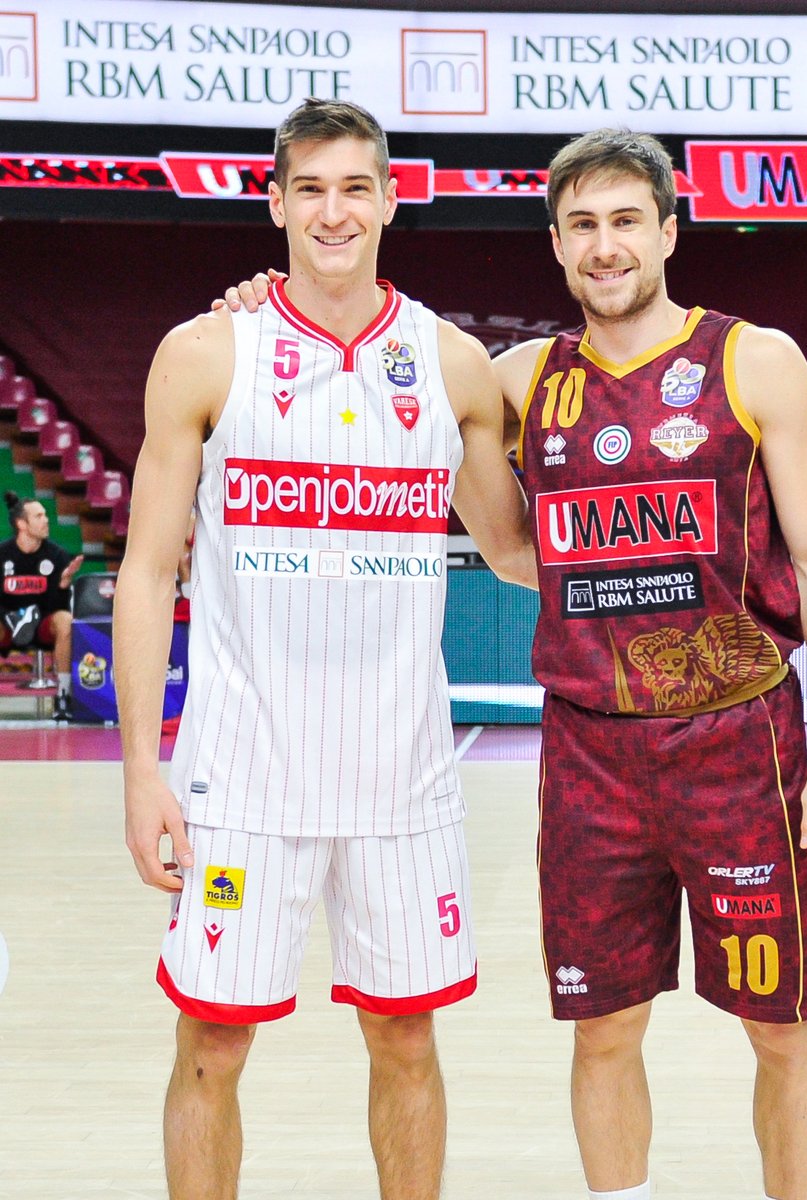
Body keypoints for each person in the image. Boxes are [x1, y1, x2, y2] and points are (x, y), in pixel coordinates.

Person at [222, 128, 807, 1200]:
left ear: (668, 229)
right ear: (557, 245)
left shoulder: (755, 360)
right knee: (603, 1032)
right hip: (589, 755)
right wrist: (255, 301)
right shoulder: (520, 378)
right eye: (582, 226)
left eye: (625, 221)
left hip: (740, 743)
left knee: (784, 1027)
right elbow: (501, 524)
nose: (605, 246)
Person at [114, 98, 535, 1200]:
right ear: (275, 204)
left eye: (356, 188)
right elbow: (148, 573)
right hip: (240, 769)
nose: (334, 211)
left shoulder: (449, 365)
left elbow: (515, 553)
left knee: (405, 1042)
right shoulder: (207, 352)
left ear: (392, 200)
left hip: (401, 772)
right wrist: (141, 772)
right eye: (311, 189)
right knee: (211, 1044)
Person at [1, 491, 83, 720]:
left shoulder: (57, 555)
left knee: (65, 620)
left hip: (40, 625)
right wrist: (11, 616)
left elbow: (57, 607)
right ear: (22, 524)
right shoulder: (2, 555)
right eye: (38, 516)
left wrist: (64, 584)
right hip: (8, 624)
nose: (46, 520)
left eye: (45, 515)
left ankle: (64, 695)